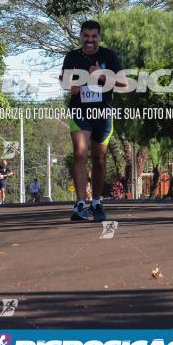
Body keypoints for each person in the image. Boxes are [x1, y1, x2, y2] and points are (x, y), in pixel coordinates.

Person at [59, 19, 126, 221]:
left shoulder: (108, 56)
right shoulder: (72, 57)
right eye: (86, 36)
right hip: (80, 111)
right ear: (81, 36)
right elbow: (63, 79)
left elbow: (123, 83)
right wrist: (69, 86)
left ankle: (96, 202)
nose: (90, 40)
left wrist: (100, 75)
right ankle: (80, 204)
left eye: (94, 36)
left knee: (99, 158)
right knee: (80, 153)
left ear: (98, 36)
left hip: (103, 114)